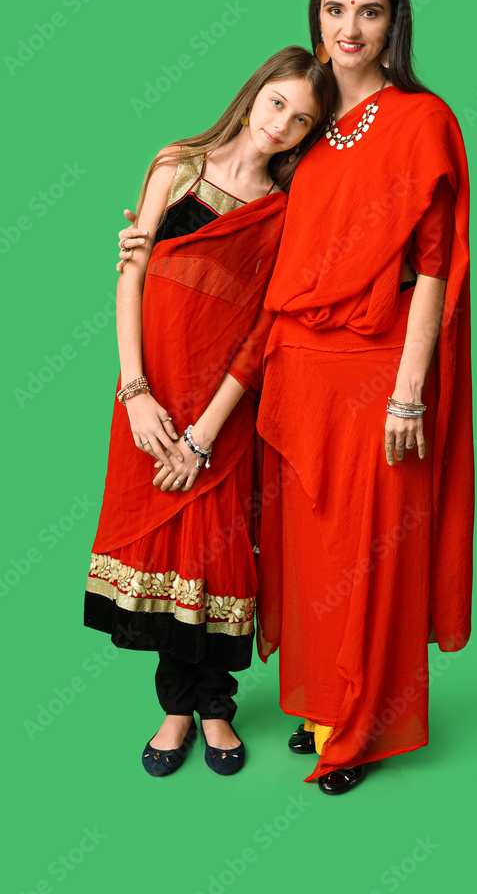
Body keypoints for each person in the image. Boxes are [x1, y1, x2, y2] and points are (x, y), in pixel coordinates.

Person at [119, 0, 474, 796]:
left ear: (394, 24)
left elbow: (433, 265)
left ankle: (362, 732)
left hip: (376, 369)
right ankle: (320, 705)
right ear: (316, 17)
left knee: (372, 553)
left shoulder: (421, 118)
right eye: (334, 8)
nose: (349, 27)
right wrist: (150, 246)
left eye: (369, 11)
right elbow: (246, 245)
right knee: (310, 555)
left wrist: (408, 392)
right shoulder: (302, 137)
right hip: (291, 373)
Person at [84, 46, 335, 778]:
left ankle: (217, 707)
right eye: (277, 102)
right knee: (164, 551)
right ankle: (175, 709)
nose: (281, 124)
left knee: (219, 553)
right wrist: (136, 393)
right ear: (254, 93)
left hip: (222, 409)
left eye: (302, 120)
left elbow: (262, 330)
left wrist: (203, 434)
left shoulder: (285, 208)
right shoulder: (177, 165)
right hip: (150, 395)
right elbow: (131, 277)